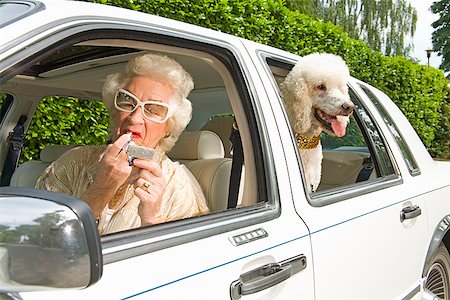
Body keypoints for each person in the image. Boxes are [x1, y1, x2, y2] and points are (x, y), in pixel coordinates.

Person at [36, 52, 209, 235]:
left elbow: (183, 259)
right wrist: (100, 190)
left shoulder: (178, 187)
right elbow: (41, 239)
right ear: (114, 110)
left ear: (169, 126)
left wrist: (152, 220)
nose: (135, 118)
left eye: (154, 110)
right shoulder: (73, 162)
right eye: (127, 101)